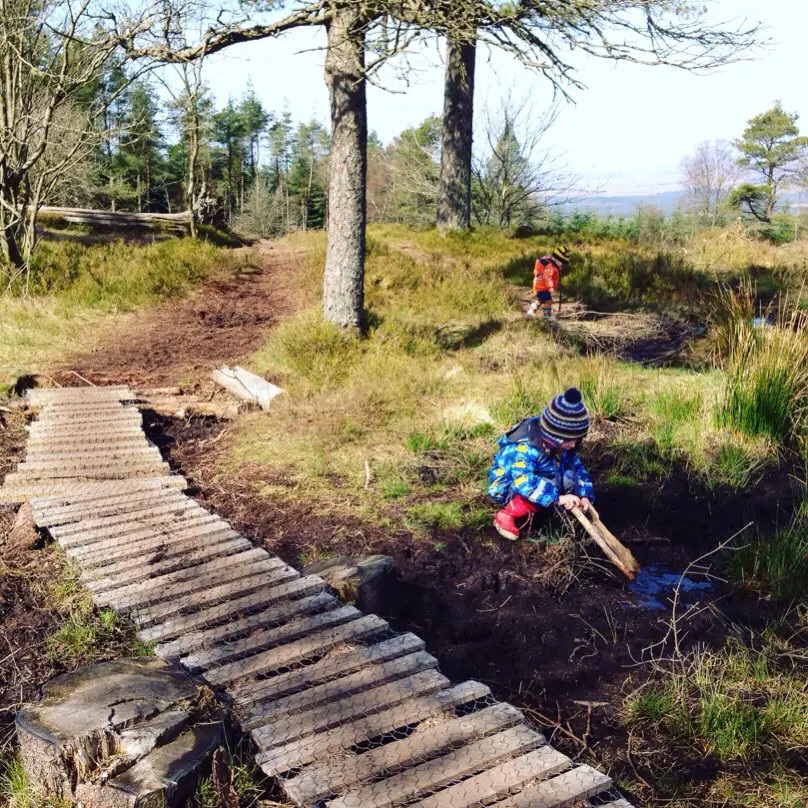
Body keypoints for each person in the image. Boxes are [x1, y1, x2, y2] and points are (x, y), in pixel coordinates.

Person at [487, 387, 594, 541]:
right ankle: (506, 514)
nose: (573, 444)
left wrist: (585, 495)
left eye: (577, 439)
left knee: (569, 474)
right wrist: (558, 498)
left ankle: (552, 502)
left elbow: (578, 469)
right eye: (569, 440)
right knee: (544, 486)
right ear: (554, 437)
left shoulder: (563, 446)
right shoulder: (527, 448)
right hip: (509, 486)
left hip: (544, 475)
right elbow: (521, 480)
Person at [527, 245, 570, 320]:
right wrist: (550, 287)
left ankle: (534, 312)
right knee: (546, 300)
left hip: (540, 286)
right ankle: (545, 316)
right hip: (543, 287)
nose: (561, 265)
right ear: (557, 259)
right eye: (561, 262)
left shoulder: (549, 264)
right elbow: (547, 278)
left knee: (543, 300)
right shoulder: (550, 267)